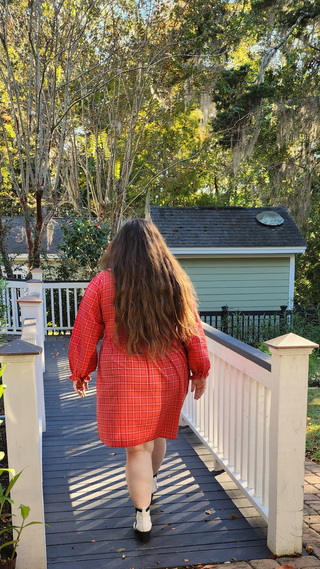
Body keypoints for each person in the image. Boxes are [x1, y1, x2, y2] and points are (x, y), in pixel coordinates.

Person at [68, 218, 210, 542]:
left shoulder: (103, 283)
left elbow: (85, 333)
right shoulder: (175, 281)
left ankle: (142, 516)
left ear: (119, 248)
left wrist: (80, 371)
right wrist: (199, 371)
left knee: (137, 449)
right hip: (168, 374)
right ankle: (151, 482)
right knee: (156, 433)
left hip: (124, 375)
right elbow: (193, 332)